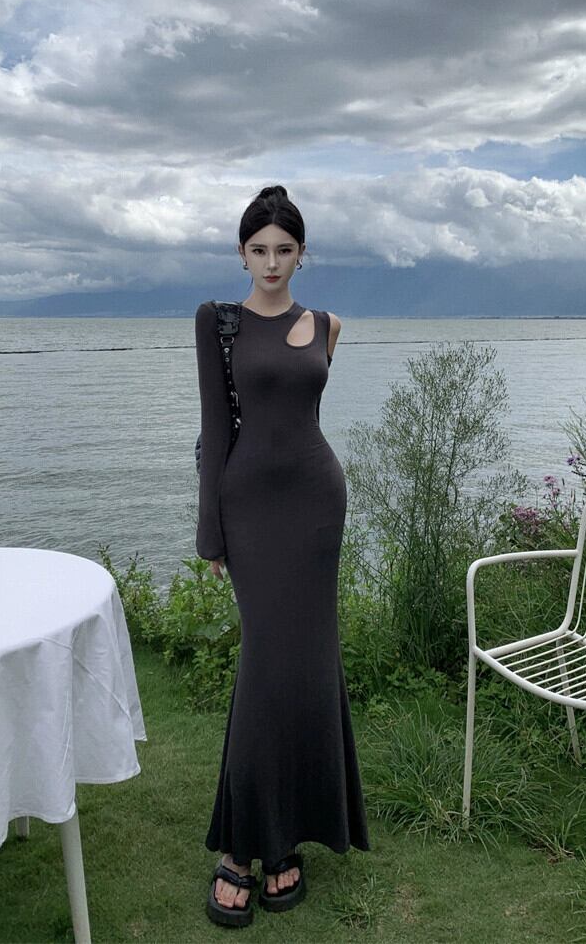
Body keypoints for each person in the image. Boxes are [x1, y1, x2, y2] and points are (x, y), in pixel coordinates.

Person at [195, 185, 370, 928]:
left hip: (316, 507)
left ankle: (287, 838)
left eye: (285, 249)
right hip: (250, 511)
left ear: (302, 254)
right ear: (242, 253)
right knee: (266, 666)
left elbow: (307, 420)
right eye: (259, 249)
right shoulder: (218, 323)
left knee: (307, 667)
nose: (272, 262)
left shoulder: (329, 326)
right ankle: (242, 847)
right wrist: (210, 533)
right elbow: (216, 428)